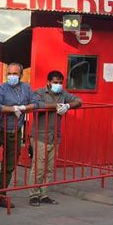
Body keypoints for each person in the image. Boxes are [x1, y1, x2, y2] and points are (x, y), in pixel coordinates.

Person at [0, 62, 41, 208]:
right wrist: (12, 109)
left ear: (20, 75)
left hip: (15, 131)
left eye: (15, 74)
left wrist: (23, 107)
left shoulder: (26, 88)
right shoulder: (2, 88)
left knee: (10, 164)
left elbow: (35, 103)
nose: (12, 76)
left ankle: (0, 195)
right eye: (9, 74)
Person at [30, 71, 81, 206]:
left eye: (60, 82)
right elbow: (36, 105)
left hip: (55, 136)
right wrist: (57, 106)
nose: (58, 85)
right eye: (55, 82)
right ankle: (34, 195)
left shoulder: (63, 94)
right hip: (40, 135)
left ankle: (44, 194)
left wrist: (68, 105)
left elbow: (78, 101)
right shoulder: (40, 93)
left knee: (50, 168)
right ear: (48, 82)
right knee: (38, 167)